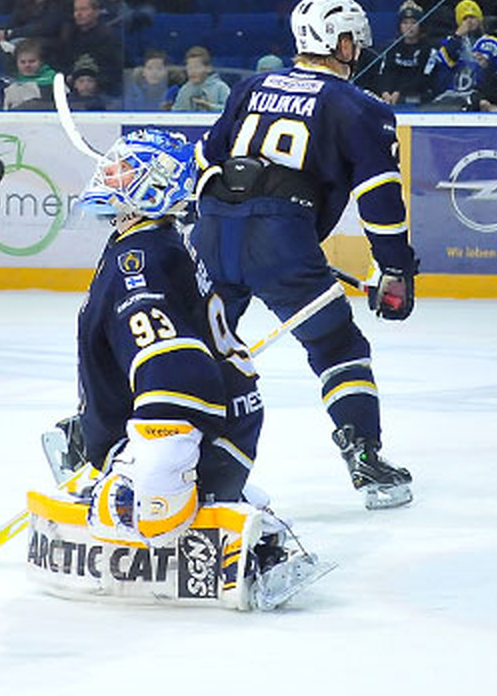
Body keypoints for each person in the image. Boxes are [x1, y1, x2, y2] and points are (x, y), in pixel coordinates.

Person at [49, 128, 322, 605]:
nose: (110, 173)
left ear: (157, 185)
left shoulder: (141, 258)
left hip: (195, 431)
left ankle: (243, 533)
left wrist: (159, 457)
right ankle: (234, 506)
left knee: (123, 512)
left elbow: (176, 367)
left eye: (127, 168)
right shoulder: (151, 242)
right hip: (223, 426)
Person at [191, 0, 416, 510]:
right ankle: (365, 458)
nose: (357, 48)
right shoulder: (361, 107)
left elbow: (205, 158)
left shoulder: (250, 86)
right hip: (283, 241)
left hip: (213, 227)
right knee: (338, 348)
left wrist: (213, 219)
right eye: (354, 40)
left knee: (191, 343)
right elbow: (380, 201)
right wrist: (395, 270)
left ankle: (99, 436)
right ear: (339, 42)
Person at [423, 0, 497, 110]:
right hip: (452, 93)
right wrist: (457, 36)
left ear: (480, 20)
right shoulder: (451, 41)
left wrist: (489, 65)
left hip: (478, 93)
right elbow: (446, 61)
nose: (469, 21)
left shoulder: (493, 42)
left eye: (473, 17)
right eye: (465, 18)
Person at [355, 0, 433, 106]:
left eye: (413, 23)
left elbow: (423, 77)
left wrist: (400, 92)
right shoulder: (392, 48)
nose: (409, 27)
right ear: (400, 26)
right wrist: (385, 91)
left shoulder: (428, 49)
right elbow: (385, 72)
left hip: (414, 95)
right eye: (405, 23)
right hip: (390, 96)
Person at [58, 0, 123, 96]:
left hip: (104, 92)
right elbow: (63, 63)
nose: (78, 14)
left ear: (96, 12)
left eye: (83, 9)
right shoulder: (70, 36)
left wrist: (94, 81)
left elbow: (114, 69)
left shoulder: (108, 37)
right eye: (76, 10)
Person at [2, 37, 56, 109]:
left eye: (32, 61)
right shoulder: (12, 84)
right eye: (23, 62)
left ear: (41, 62)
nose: (27, 65)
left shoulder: (55, 80)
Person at [171, 45, 230, 111]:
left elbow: (231, 111)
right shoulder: (185, 90)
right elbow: (176, 112)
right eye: (189, 68)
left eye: (196, 67)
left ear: (208, 68)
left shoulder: (221, 88)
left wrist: (210, 107)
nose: (192, 71)